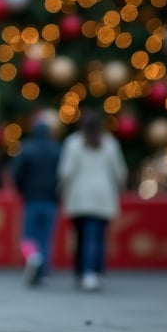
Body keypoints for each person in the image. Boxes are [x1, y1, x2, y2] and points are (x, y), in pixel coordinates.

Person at [58, 110, 127, 291]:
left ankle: (83, 272)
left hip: (79, 197)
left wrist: (60, 190)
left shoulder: (73, 143)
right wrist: (119, 189)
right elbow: (120, 172)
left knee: (82, 237)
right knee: (98, 237)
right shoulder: (110, 144)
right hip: (103, 196)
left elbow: (65, 172)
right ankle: (95, 272)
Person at [11, 112, 61, 286]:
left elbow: (16, 173)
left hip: (31, 198)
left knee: (28, 237)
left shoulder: (26, 148)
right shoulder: (57, 149)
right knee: (46, 239)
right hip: (51, 199)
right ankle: (44, 273)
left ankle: (33, 257)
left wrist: (22, 189)